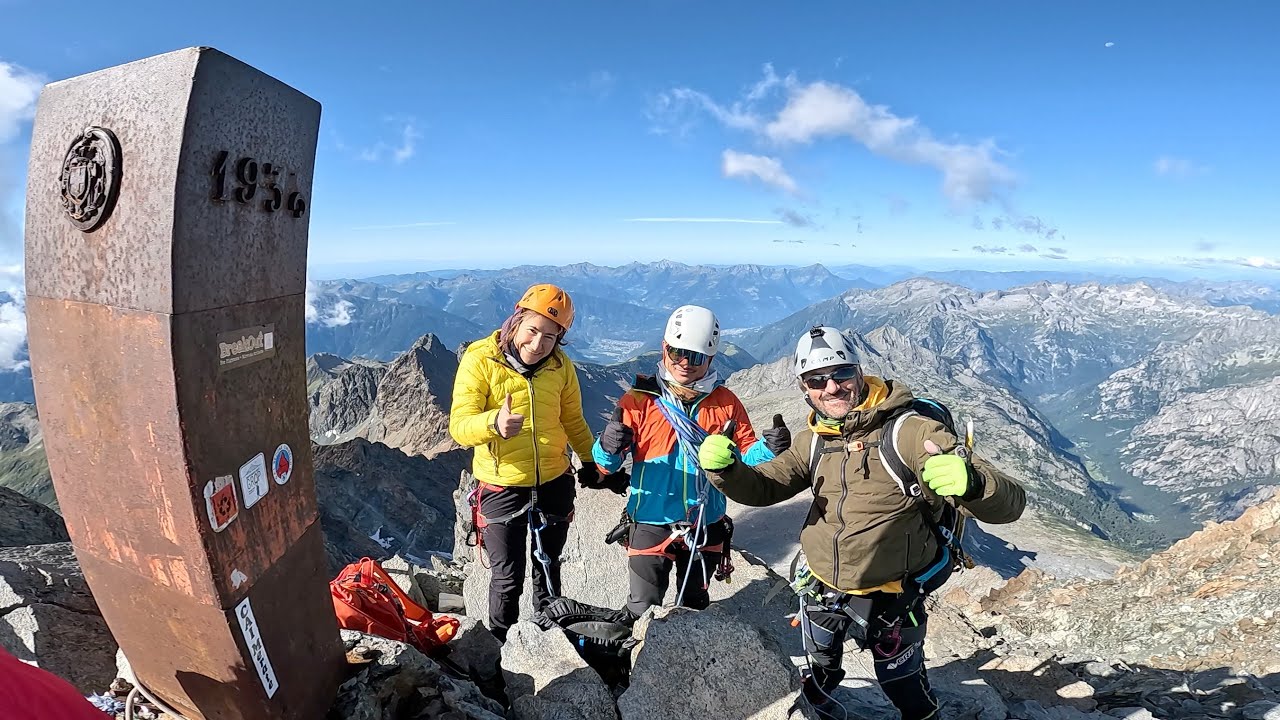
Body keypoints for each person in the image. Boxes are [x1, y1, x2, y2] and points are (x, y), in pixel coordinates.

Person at [697, 326, 1026, 720]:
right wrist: (728, 471)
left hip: (892, 596)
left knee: (904, 686)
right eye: (817, 380)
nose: (831, 388)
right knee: (820, 667)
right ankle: (815, 707)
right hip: (823, 587)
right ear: (804, 387)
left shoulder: (911, 432)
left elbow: (1011, 505)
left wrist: (973, 483)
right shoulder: (814, 439)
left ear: (858, 372)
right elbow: (766, 487)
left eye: (840, 374)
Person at [590, 305, 792, 619]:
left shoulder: (726, 402)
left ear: (710, 359)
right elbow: (606, 467)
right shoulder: (639, 401)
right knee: (641, 611)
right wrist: (606, 446)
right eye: (676, 352)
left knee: (695, 608)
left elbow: (746, 453)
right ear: (664, 348)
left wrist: (769, 448)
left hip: (705, 523)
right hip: (651, 521)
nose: (684, 363)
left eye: (696, 356)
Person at [449, 282, 599, 642]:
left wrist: (593, 463)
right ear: (516, 321)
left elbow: (573, 420)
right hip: (502, 485)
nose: (537, 344)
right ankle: (501, 652)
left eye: (550, 336)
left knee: (548, 569)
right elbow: (459, 427)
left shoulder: (560, 366)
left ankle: (551, 645)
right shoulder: (480, 359)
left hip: (553, 480)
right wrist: (493, 424)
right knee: (507, 577)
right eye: (532, 330)